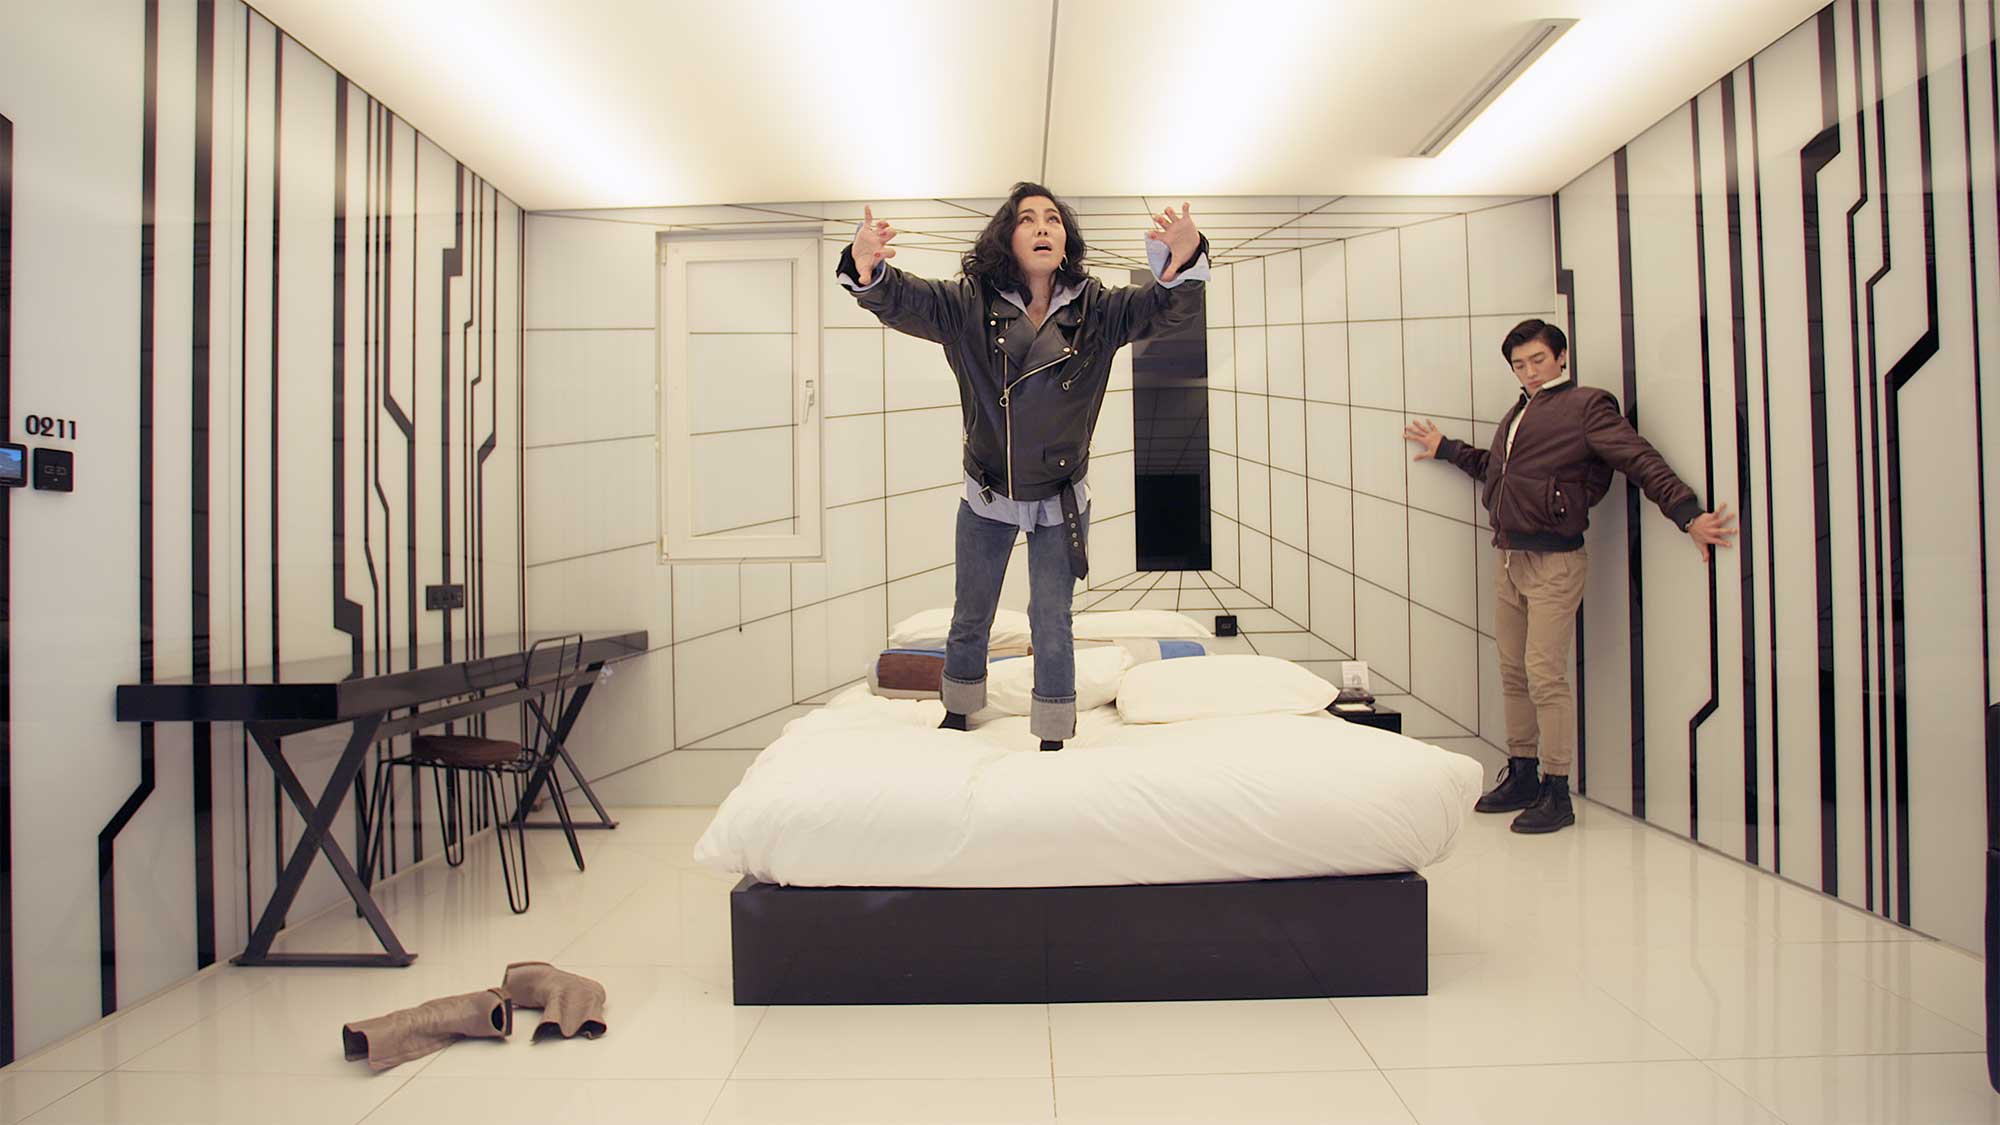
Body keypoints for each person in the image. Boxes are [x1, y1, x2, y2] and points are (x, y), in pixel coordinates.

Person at [839, 183, 1210, 750]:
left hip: (1061, 494)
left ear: (1066, 239)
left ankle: (1054, 732)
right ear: (1006, 237)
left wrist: (1182, 257)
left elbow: (1165, 307)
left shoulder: (1100, 308)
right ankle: (960, 708)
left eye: (1053, 220)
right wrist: (869, 269)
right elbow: (905, 299)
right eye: (1028, 219)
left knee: (1051, 620)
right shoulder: (967, 304)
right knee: (972, 613)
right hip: (987, 489)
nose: (1042, 227)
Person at [1403, 319, 1737, 832]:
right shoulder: (1520, 411)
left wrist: (1687, 513)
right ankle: (1523, 773)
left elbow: (1639, 459)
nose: (1530, 371)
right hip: (1509, 557)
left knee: (1544, 675)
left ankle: (1557, 792)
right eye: (1519, 364)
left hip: (1555, 561)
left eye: (1538, 360)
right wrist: (1448, 449)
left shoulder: (1587, 406)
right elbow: (1501, 470)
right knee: (1513, 671)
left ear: (1561, 357)